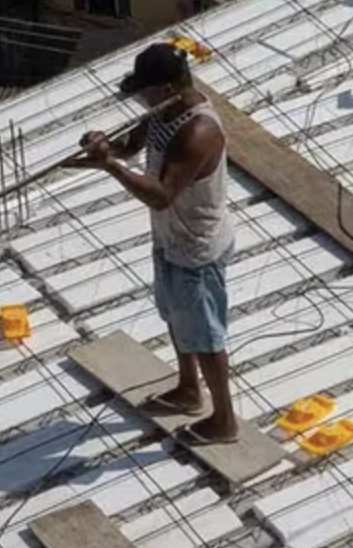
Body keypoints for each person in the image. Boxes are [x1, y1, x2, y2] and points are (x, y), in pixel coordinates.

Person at [76, 44, 238, 443]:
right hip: (170, 238)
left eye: (146, 90)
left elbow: (162, 194)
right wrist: (102, 147)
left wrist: (109, 165)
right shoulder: (163, 111)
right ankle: (188, 390)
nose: (141, 98)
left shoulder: (199, 130)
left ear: (168, 86)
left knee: (205, 335)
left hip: (197, 247)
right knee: (176, 317)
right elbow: (129, 147)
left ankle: (224, 422)